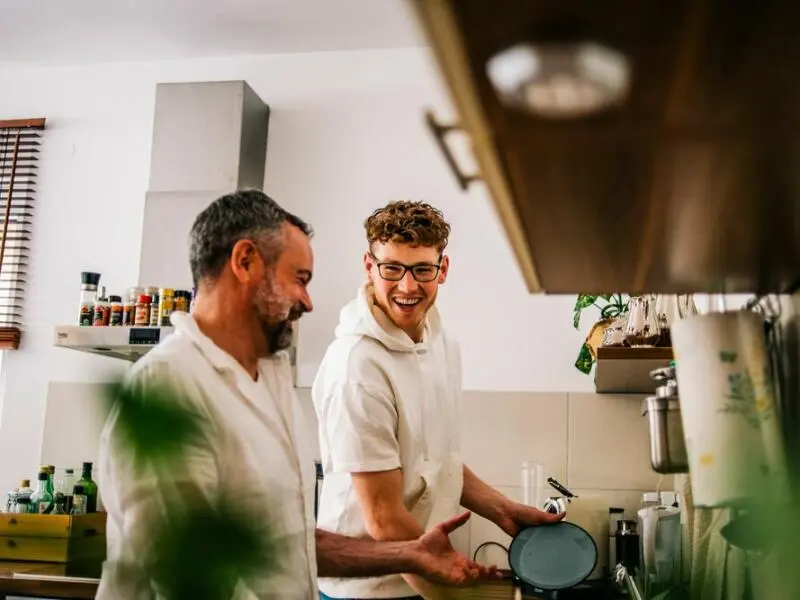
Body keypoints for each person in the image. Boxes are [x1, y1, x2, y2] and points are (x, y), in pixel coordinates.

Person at [96, 191, 496, 600]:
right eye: (299, 279)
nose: (307, 300)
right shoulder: (169, 387)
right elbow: (187, 568)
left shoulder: (269, 376)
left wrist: (409, 555)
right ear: (245, 262)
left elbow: (288, 542)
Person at [312, 201, 564, 600]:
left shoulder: (441, 342)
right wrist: (450, 593)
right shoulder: (356, 366)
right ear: (368, 265)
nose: (407, 287)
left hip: (417, 578)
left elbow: (435, 460)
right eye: (391, 268)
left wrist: (502, 509)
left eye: (422, 270)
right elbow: (382, 518)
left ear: (442, 270)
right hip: (366, 592)